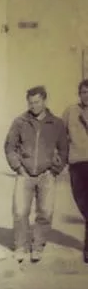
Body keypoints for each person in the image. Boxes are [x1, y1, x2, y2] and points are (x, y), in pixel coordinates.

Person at [4, 85, 68, 263]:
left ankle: (38, 246)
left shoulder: (57, 123)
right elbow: (9, 146)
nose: (34, 106)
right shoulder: (20, 122)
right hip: (24, 174)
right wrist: (17, 166)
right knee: (19, 212)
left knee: (45, 212)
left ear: (45, 101)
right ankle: (20, 247)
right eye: (31, 103)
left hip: (47, 175)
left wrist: (55, 169)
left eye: (37, 102)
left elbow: (64, 149)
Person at [62, 78, 88, 263]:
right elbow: (61, 136)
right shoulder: (70, 112)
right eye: (83, 92)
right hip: (77, 164)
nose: (86, 95)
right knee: (82, 204)